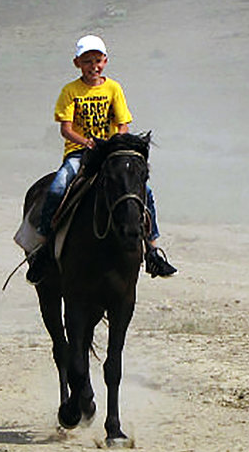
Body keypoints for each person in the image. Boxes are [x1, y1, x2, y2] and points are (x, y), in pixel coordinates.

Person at [29, 34, 175, 280]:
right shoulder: (70, 91)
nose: (93, 66)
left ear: (105, 61)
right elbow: (66, 128)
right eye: (87, 61)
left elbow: (123, 124)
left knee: (144, 192)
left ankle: (152, 250)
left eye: (97, 60)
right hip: (79, 153)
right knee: (58, 187)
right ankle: (43, 245)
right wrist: (86, 142)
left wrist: (111, 145)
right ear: (77, 63)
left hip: (109, 154)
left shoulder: (113, 88)